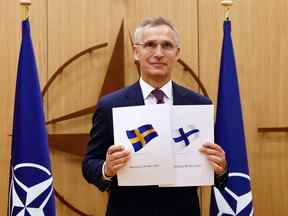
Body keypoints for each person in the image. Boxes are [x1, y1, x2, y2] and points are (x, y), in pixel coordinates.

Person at [82, 16, 227, 216]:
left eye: (166, 45)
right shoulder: (110, 105)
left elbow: (219, 171)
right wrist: (107, 168)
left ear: (177, 54)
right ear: (136, 52)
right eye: (150, 45)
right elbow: (89, 165)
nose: (158, 53)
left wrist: (220, 168)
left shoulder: (199, 105)